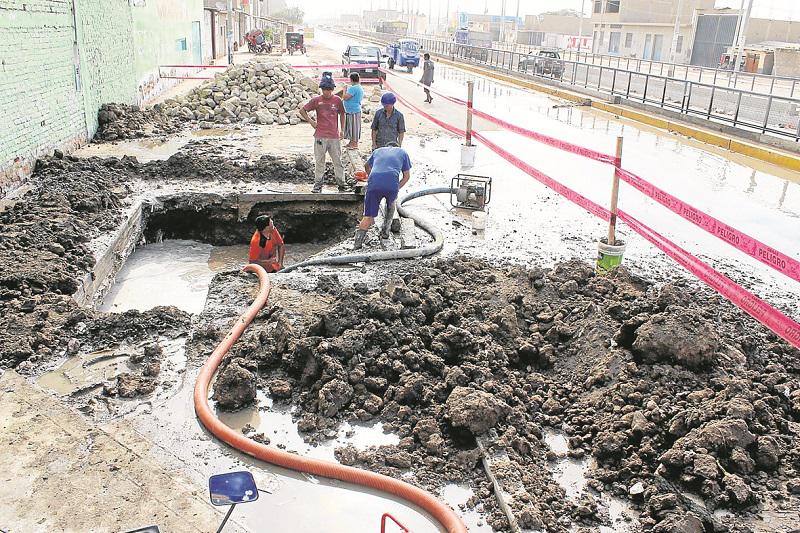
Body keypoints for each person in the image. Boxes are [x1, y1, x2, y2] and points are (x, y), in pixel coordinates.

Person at [353, 142, 411, 249]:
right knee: (390, 207)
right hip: (392, 183)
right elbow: (406, 176)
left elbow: (366, 166)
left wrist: (372, 178)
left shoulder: (377, 151)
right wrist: (396, 188)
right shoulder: (402, 152)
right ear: (396, 147)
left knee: (368, 216)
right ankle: (385, 232)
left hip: (374, 182)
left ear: (387, 146)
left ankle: (357, 244)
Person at [299, 75, 347, 193]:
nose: (327, 92)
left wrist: (342, 129)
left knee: (338, 161)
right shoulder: (316, 100)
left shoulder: (337, 100)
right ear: (322, 89)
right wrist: (311, 121)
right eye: (325, 89)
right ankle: (318, 184)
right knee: (319, 161)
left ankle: (341, 183)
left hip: (334, 136)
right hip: (320, 136)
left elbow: (342, 114)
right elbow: (302, 110)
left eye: (329, 89)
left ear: (332, 89)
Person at [339, 72, 364, 149]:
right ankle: (351, 142)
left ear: (351, 79)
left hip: (353, 110)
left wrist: (344, 90)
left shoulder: (354, 88)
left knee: (354, 127)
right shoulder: (357, 87)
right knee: (351, 127)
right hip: (352, 110)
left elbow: (345, 97)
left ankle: (354, 143)